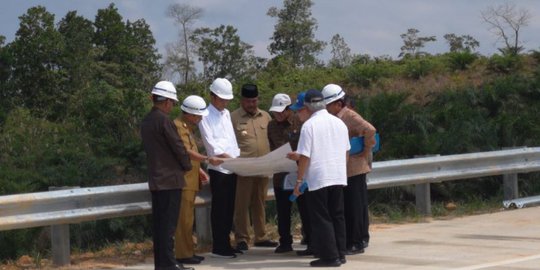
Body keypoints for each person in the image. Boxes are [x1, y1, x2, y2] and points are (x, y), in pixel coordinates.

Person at [290, 89, 350, 267]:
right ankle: (340, 253)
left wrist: (299, 181)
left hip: (318, 178)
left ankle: (329, 257)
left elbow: (305, 157)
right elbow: (346, 151)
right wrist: (340, 170)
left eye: (300, 109)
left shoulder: (309, 126)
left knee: (322, 218)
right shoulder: (338, 122)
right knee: (337, 216)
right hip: (338, 176)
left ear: (308, 107)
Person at [140, 81, 193, 270]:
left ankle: (162, 264)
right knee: (169, 227)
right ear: (167, 102)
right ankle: (169, 264)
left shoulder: (147, 120)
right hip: (170, 180)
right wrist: (187, 165)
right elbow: (177, 147)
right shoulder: (164, 120)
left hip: (156, 180)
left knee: (160, 227)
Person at [322, 84, 376, 254]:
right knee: (349, 206)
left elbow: (370, 130)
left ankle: (357, 241)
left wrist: (366, 150)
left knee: (355, 206)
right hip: (344, 168)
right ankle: (352, 239)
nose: (326, 108)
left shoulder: (349, 115)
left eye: (329, 105)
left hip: (355, 168)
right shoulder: (335, 117)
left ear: (338, 103)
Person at [173, 95, 224, 265]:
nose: (200, 118)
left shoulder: (187, 127)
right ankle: (183, 254)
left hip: (191, 177)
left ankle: (188, 251)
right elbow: (186, 152)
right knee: (184, 220)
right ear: (190, 114)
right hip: (184, 180)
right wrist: (207, 159)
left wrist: (200, 169)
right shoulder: (179, 127)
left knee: (188, 219)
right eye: (198, 115)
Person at [230, 84, 278, 251]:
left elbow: (272, 138)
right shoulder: (233, 117)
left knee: (259, 202)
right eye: (249, 101)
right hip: (244, 168)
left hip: (263, 166)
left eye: (255, 100)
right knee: (241, 204)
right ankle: (242, 238)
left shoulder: (265, 116)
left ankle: (261, 236)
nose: (252, 104)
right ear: (242, 100)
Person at [198, 78, 241, 259]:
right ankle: (219, 245)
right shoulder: (205, 115)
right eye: (222, 99)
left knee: (230, 207)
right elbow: (210, 143)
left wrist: (237, 157)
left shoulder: (226, 114)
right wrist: (225, 157)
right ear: (213, 96)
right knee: (220, 208)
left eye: (227, 100)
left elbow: (231, 139)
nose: (225, 103)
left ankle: (227, 243)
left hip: (232, 166)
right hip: (218, 168)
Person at [267, 93, 312, 254]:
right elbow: (272, 147)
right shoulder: (271, 126)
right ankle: (285, 241)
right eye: (275, 112)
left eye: (281, 111)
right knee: (283, 210)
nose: (278, 114)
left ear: (288, 109)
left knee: (305, 208)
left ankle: (310, 239)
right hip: (281, 174)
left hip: (299, 172)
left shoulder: (300, 122)